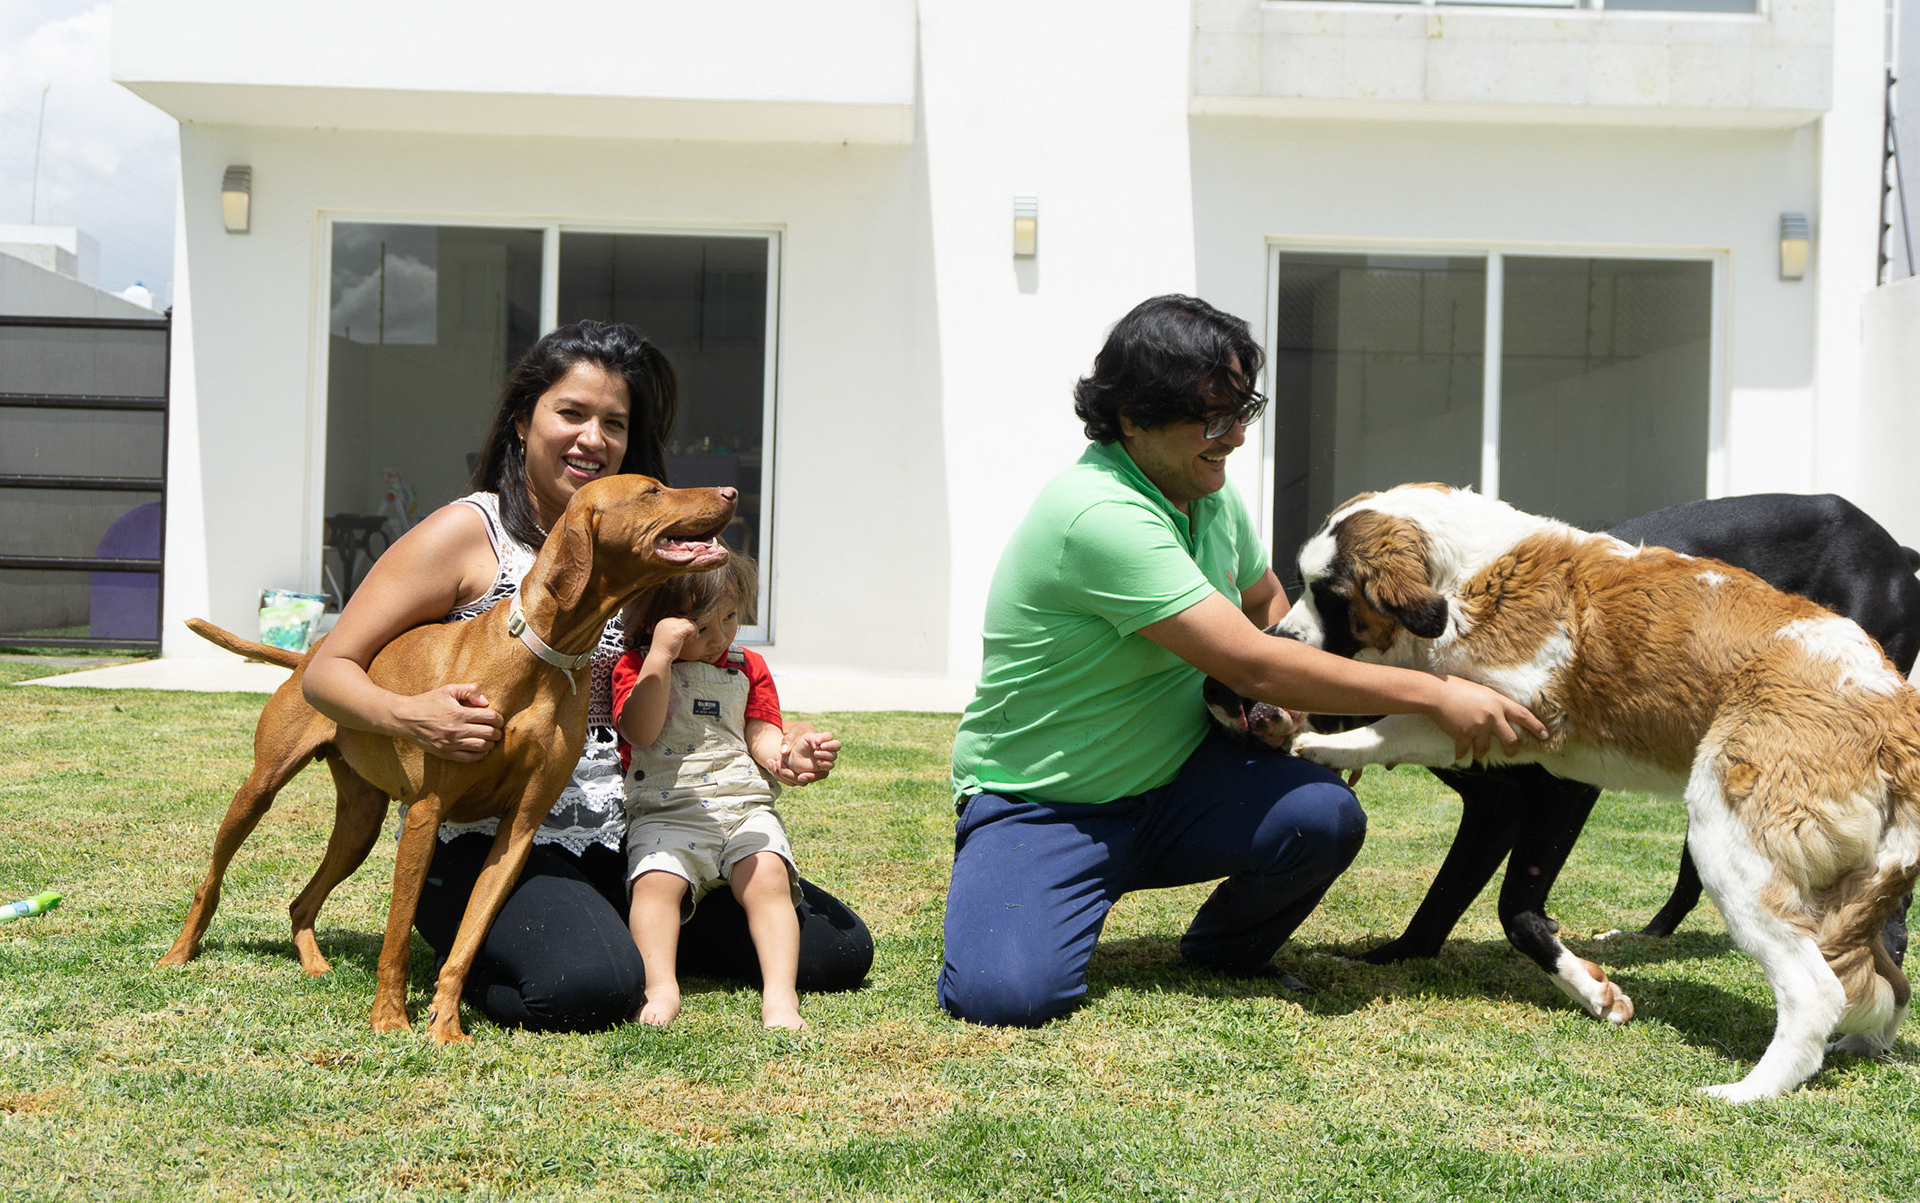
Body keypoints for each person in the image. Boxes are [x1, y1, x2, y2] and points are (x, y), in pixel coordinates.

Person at [938, 294, 1548, 1028]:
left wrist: (1295, 716)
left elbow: (1266, 603)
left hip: (1178, 783)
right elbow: (1255, 662)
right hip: (1045, 804)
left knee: (1322, 815)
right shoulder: (1098, 516)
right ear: (1131, 417)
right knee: (1005, 998)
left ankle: (1225, 949)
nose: (1234, 438)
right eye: (1212, 418)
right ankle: (1036, 883)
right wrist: (1435, 693)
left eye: (1242, 411)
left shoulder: (1204, 493)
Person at [303, 319, 872, 1032]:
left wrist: (776, 743)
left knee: (836, 951)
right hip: (490, 836)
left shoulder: (641, 545)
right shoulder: (468, 534)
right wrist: (410, 716)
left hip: (640, 830)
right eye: (571, 413)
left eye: (614, 423)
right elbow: (326, 673)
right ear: (522, 422)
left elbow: (703, 664)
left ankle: (618, 931)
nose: (592, 439)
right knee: (585, 989)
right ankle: (493, 950)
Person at [611, 552, 837, 1030]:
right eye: (701, 627)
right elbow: (641, 732)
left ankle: (781, 996)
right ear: (655, 620)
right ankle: (660, 987)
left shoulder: (747, 667)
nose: (721, 636)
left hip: (741, 805)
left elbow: (761, 732)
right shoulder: (636, 666)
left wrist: (785, 757)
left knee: (769, 876)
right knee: (655, 884)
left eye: (730, 617)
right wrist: (660, 658)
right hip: (667, 811)